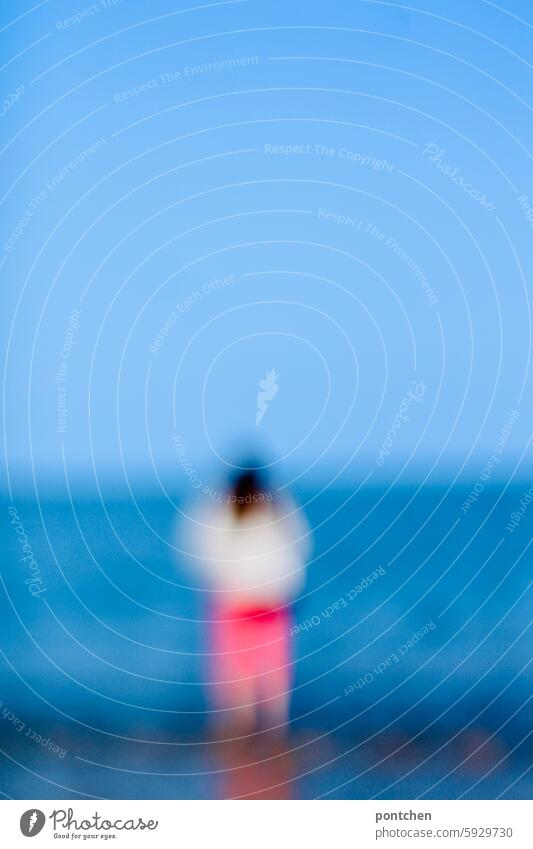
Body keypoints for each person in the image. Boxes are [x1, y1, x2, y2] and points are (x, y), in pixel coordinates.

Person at [185, 467, 311, 735]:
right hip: (272, 605)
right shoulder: (278, 508)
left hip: (234, 604)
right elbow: (300, 549)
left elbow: (201, 553)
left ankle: (239, 734)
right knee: (275, 674)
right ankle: (275, 733)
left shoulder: (219, 511)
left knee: (236, 674)